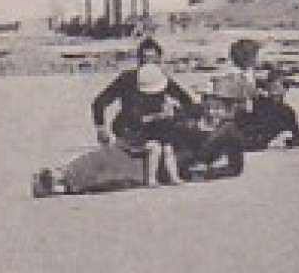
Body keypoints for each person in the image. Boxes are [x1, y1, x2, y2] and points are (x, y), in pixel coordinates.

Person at [34, 38, 195, 195]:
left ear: (160, 60)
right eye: (145, 59)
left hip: (154, 134)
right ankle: (61, 175)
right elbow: (99, 102)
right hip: (130, 134)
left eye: (154, 59)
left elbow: (189, 103)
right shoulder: (127, 79)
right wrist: (100, 128)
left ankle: (62, 178)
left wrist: (175, 114)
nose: (149, 63)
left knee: (126, 164)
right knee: (109, 159)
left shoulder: (162, 80)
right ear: (139, 61)